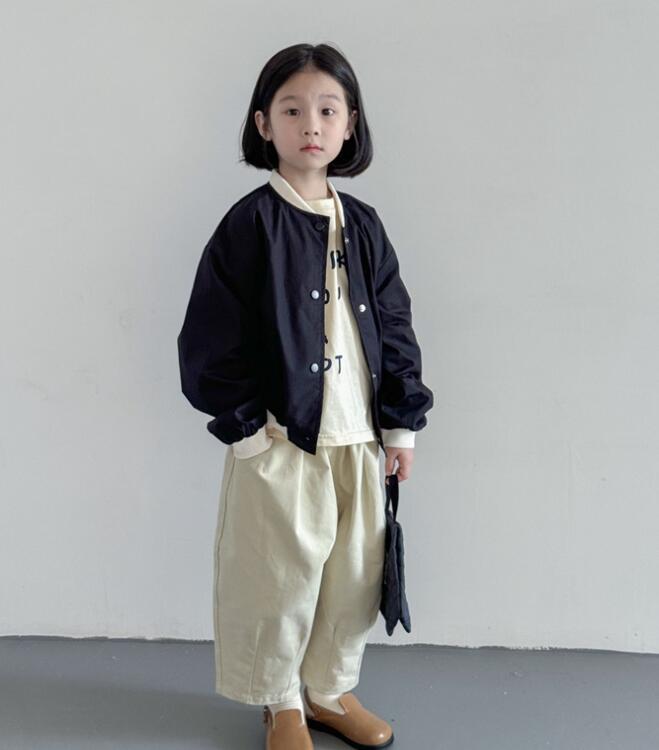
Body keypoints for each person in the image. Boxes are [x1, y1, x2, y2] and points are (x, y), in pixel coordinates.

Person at [177, 42, 434, 750]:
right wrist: (245, 432)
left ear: (350, 125)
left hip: (359, 437)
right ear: (263, 124)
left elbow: (395, 325)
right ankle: (281, 700)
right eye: (291, 110)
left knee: (354, 577)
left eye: (327, 110)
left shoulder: (365, 226)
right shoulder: (249, 224)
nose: (310, 125)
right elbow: (210, 335)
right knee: (278, 581)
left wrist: (400, 428)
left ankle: (328, 690)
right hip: (282, 438)